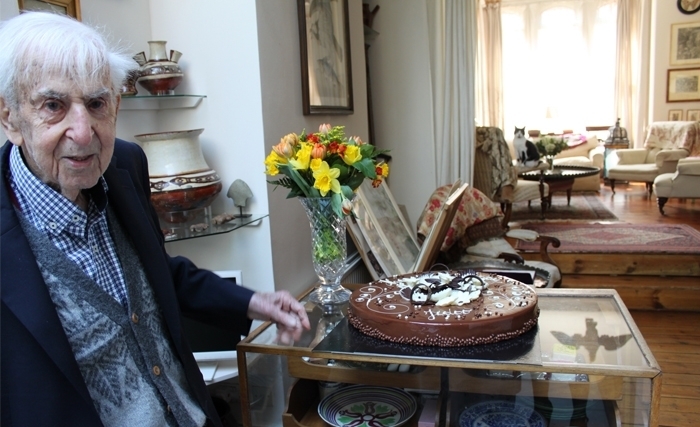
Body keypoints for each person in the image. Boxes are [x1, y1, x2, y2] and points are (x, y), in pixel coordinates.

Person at [0, 11, 310, 427]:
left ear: (116, 105)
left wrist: (256, 303)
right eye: (53, 106)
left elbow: (157, 274)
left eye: (96, 104)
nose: (83, 131)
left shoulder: (125, 166)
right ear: (10, 118)